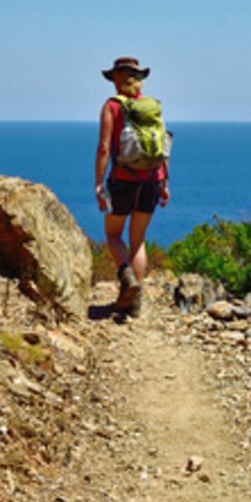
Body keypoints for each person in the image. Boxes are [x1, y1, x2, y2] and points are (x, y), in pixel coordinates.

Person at [94, 56, 167, 316]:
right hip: (152, 180)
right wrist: (165, 183)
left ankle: (127, 279)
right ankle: (134, 303)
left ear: (115, 78)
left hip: (123, 180)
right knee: (138, 240)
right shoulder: (150, 107)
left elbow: (104, 148)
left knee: (114, 234)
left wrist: (99, 183)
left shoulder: (112, 106)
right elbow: (163, 147)